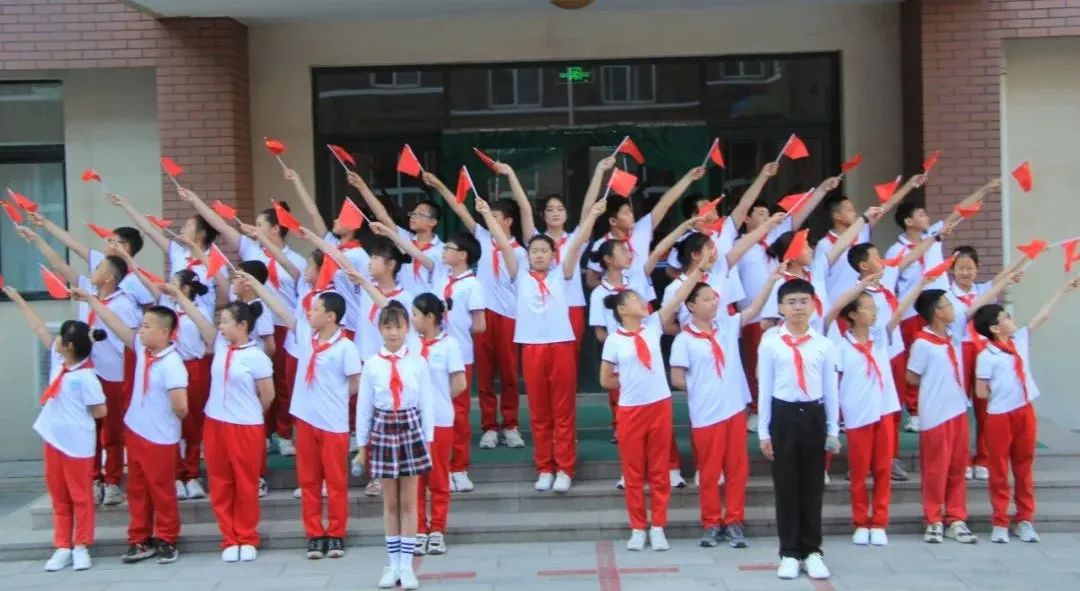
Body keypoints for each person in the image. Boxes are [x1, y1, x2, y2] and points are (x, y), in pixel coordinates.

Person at [479, 196, 605, 493]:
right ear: (528, 255)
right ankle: (545, 468)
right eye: (534, 250)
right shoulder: (520, 276)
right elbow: (503, 243)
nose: (538, 255)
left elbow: (577, 242)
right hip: (532, 348)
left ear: (553, 255)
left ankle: (565, 468)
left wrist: (592, 215)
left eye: (543, 251)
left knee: (563, 411)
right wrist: (486, 215)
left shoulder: (563, 274)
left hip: (560, 346)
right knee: (539, 411)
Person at [178, 188, 308, 458]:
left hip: (282, 325)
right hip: (251, 323)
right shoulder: (250, 248)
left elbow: (299, 293)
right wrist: (196, 201)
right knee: (254, 379)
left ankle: (283, 433)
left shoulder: (295, 260)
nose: (253, 228)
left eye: (260, 224)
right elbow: (221, 226)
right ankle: (262, 430)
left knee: (281, 382)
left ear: (275, 229)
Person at [17, 224, 140, 507]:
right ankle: (93, 478)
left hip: (112, 372)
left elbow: (132, 340)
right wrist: (38, 240)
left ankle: (112, 482)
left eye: (98, 269)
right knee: (89, 428)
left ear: (109, 277)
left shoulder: (125, 303)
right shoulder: (86, 291)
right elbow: (61, 266)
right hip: (87, 369)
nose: (91, 272)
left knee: (112, 430)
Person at [669, 261, 783, 549]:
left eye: (714, 298)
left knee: (737, 470)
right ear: (692, 306)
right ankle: (711, 523)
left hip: (733, 410)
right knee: (709, 472)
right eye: (706, 299)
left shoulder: (728, 327)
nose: (713, 303)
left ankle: (734, 520)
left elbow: (753, 310)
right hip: (706, 413)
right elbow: (677, 377)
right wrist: (703, 388)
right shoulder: (683, 339)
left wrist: (770, 281)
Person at [599, 261, 702, 552]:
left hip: (659, 405)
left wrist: (698, 270)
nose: (641, 301)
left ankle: (658, 525)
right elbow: (605, 380)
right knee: (633, 472)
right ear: (622, 309)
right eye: (634, 299)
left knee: (659, 469)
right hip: (631, 409)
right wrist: (630, 380)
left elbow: (679, 297)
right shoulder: (614, 341)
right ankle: (637, 527)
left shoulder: (653, 326)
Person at [77, 294, 188, 564]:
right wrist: (91, 300)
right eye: (141, 325)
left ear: (165, 332)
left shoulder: (172, 363)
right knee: (137, 489)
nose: (141, 330)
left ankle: (167, 538)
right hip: (136, 430)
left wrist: (165, 422)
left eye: (147, 326)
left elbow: (181, 406)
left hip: (160, 436)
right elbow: (115, 323)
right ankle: (139, 539)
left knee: (161, 490)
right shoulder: (142, 350)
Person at [376, 228, 486, 492]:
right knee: (427, 410)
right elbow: (413, 251)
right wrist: (389, 232)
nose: (443, 251)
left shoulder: (472, 285)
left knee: (457, 413)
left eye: (448, 248)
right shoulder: (439, 273)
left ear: (463, 255)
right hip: (428, 351)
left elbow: (479, 325)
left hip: (456, 354)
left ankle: (459, 467)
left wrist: (453, 335)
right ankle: (434, 468)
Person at [425, 170, 527, 450]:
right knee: (484, 374)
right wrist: (440, 185)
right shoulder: (481, 237)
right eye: (488, 216)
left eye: (496, 216)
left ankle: (511, 424)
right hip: (480, 313)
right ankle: (489, 426)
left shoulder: (519, 252)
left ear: (508, 221)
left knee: (509, 373)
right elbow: (460, 209)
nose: (489, 220)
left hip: (507, 315)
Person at [6, 287, 106, 573]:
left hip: (77, 444)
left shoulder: (87, 377)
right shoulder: (59, 359)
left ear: (70, 345)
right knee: (59, 496)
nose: (56, 340)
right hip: (53, 439)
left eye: (61, 337)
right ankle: (62, 546)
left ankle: (81, 545)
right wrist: (18, 299)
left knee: (80, 496)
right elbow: (38, 327)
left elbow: (101, 411)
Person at [974, 277, 1080, 543]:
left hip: (1024, 411)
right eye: (1006, 317)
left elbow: (1043, 316)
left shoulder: (1019, 340)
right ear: (995, 328)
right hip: (1000, 416)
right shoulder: (986, 356)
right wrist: (1002, 393)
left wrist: (1063, 290)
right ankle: (1000, 521)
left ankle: (1024, 519)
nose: (1012, 320)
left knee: (1024, 468)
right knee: (999, 470)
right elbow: (981, 391)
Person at [824, 271, 922, 546]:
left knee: (882, 469)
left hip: (884, 411)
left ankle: (879, 521)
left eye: (874, 308)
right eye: (867, 308)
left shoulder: (880, 337)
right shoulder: (840, 346)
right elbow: (830, 314)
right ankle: (860, 521)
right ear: (854, 315)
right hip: (858, 416)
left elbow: (899, 312)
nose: (874, 312)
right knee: (858, 473)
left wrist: (921, 284)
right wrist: (859, 288)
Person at [757, 278, 840, 580]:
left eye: (804, 301)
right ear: (780, 307)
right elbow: (764, 388)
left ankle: (813, 550)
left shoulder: (824, 345)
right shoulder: (771, 343)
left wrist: (832, 430)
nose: (798, 308)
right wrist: (764, 432)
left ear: (814, 305)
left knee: (813, 486)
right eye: (791, 302)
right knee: (786, 486)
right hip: (783, 415)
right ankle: (790, 552)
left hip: (813, 415)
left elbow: (831, 390)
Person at [354, 302, 434, 590]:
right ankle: (393, 563)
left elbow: (426, 402)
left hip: (410, 427)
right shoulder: (372, 364)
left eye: (398, 326)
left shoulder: (417, 361)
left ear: (407, 328)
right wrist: (362, 445)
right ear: (379, 329)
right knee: (390, 502)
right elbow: (364, 406)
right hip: (384, 427)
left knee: (410, 502)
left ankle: (407, 566)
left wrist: (428, 440)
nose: (393, 333)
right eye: (387, 327)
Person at [123, 266, 212, 501]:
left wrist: (181, 298)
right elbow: (148, 281)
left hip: (193, 368)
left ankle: (192, 474)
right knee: (169, 423)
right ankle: (175, 475)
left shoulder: (200, 310)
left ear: (185, 288)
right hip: (166, 364)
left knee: (192, 423)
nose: (167, 285)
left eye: (174, 282)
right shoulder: (166, 308)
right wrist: (128, 260)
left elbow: (209, 337)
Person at [907, 289, 977, 545]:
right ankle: (933, 519)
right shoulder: (922, 343)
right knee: (936, 470)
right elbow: (911, 377)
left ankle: (956, 518)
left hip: (958, 409)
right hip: (935, 414)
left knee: (958, 467)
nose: (952, 308)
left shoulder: (952, 335)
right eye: (947, 304)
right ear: (937, 312)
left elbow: (978, 304)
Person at [411, 294, 467, 556]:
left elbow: (460, 383)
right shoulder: (411, 344)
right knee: (415, 479)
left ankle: (437, 529)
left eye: (415, 314)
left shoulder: (449, 345)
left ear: (430, 317)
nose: (412, 319)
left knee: (438, 477)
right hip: (413, 421)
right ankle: (419, 529)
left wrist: (437, 401)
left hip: (440, 420)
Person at [347, 169, 444, 296]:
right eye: (413, 213)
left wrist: (387, 231)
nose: (413, 216)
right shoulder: (407, 238)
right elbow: (383, 216)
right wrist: (362, 186)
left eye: (419, 214)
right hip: (402, 303)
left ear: (433, 222)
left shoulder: (442, 250)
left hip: (428, 305)